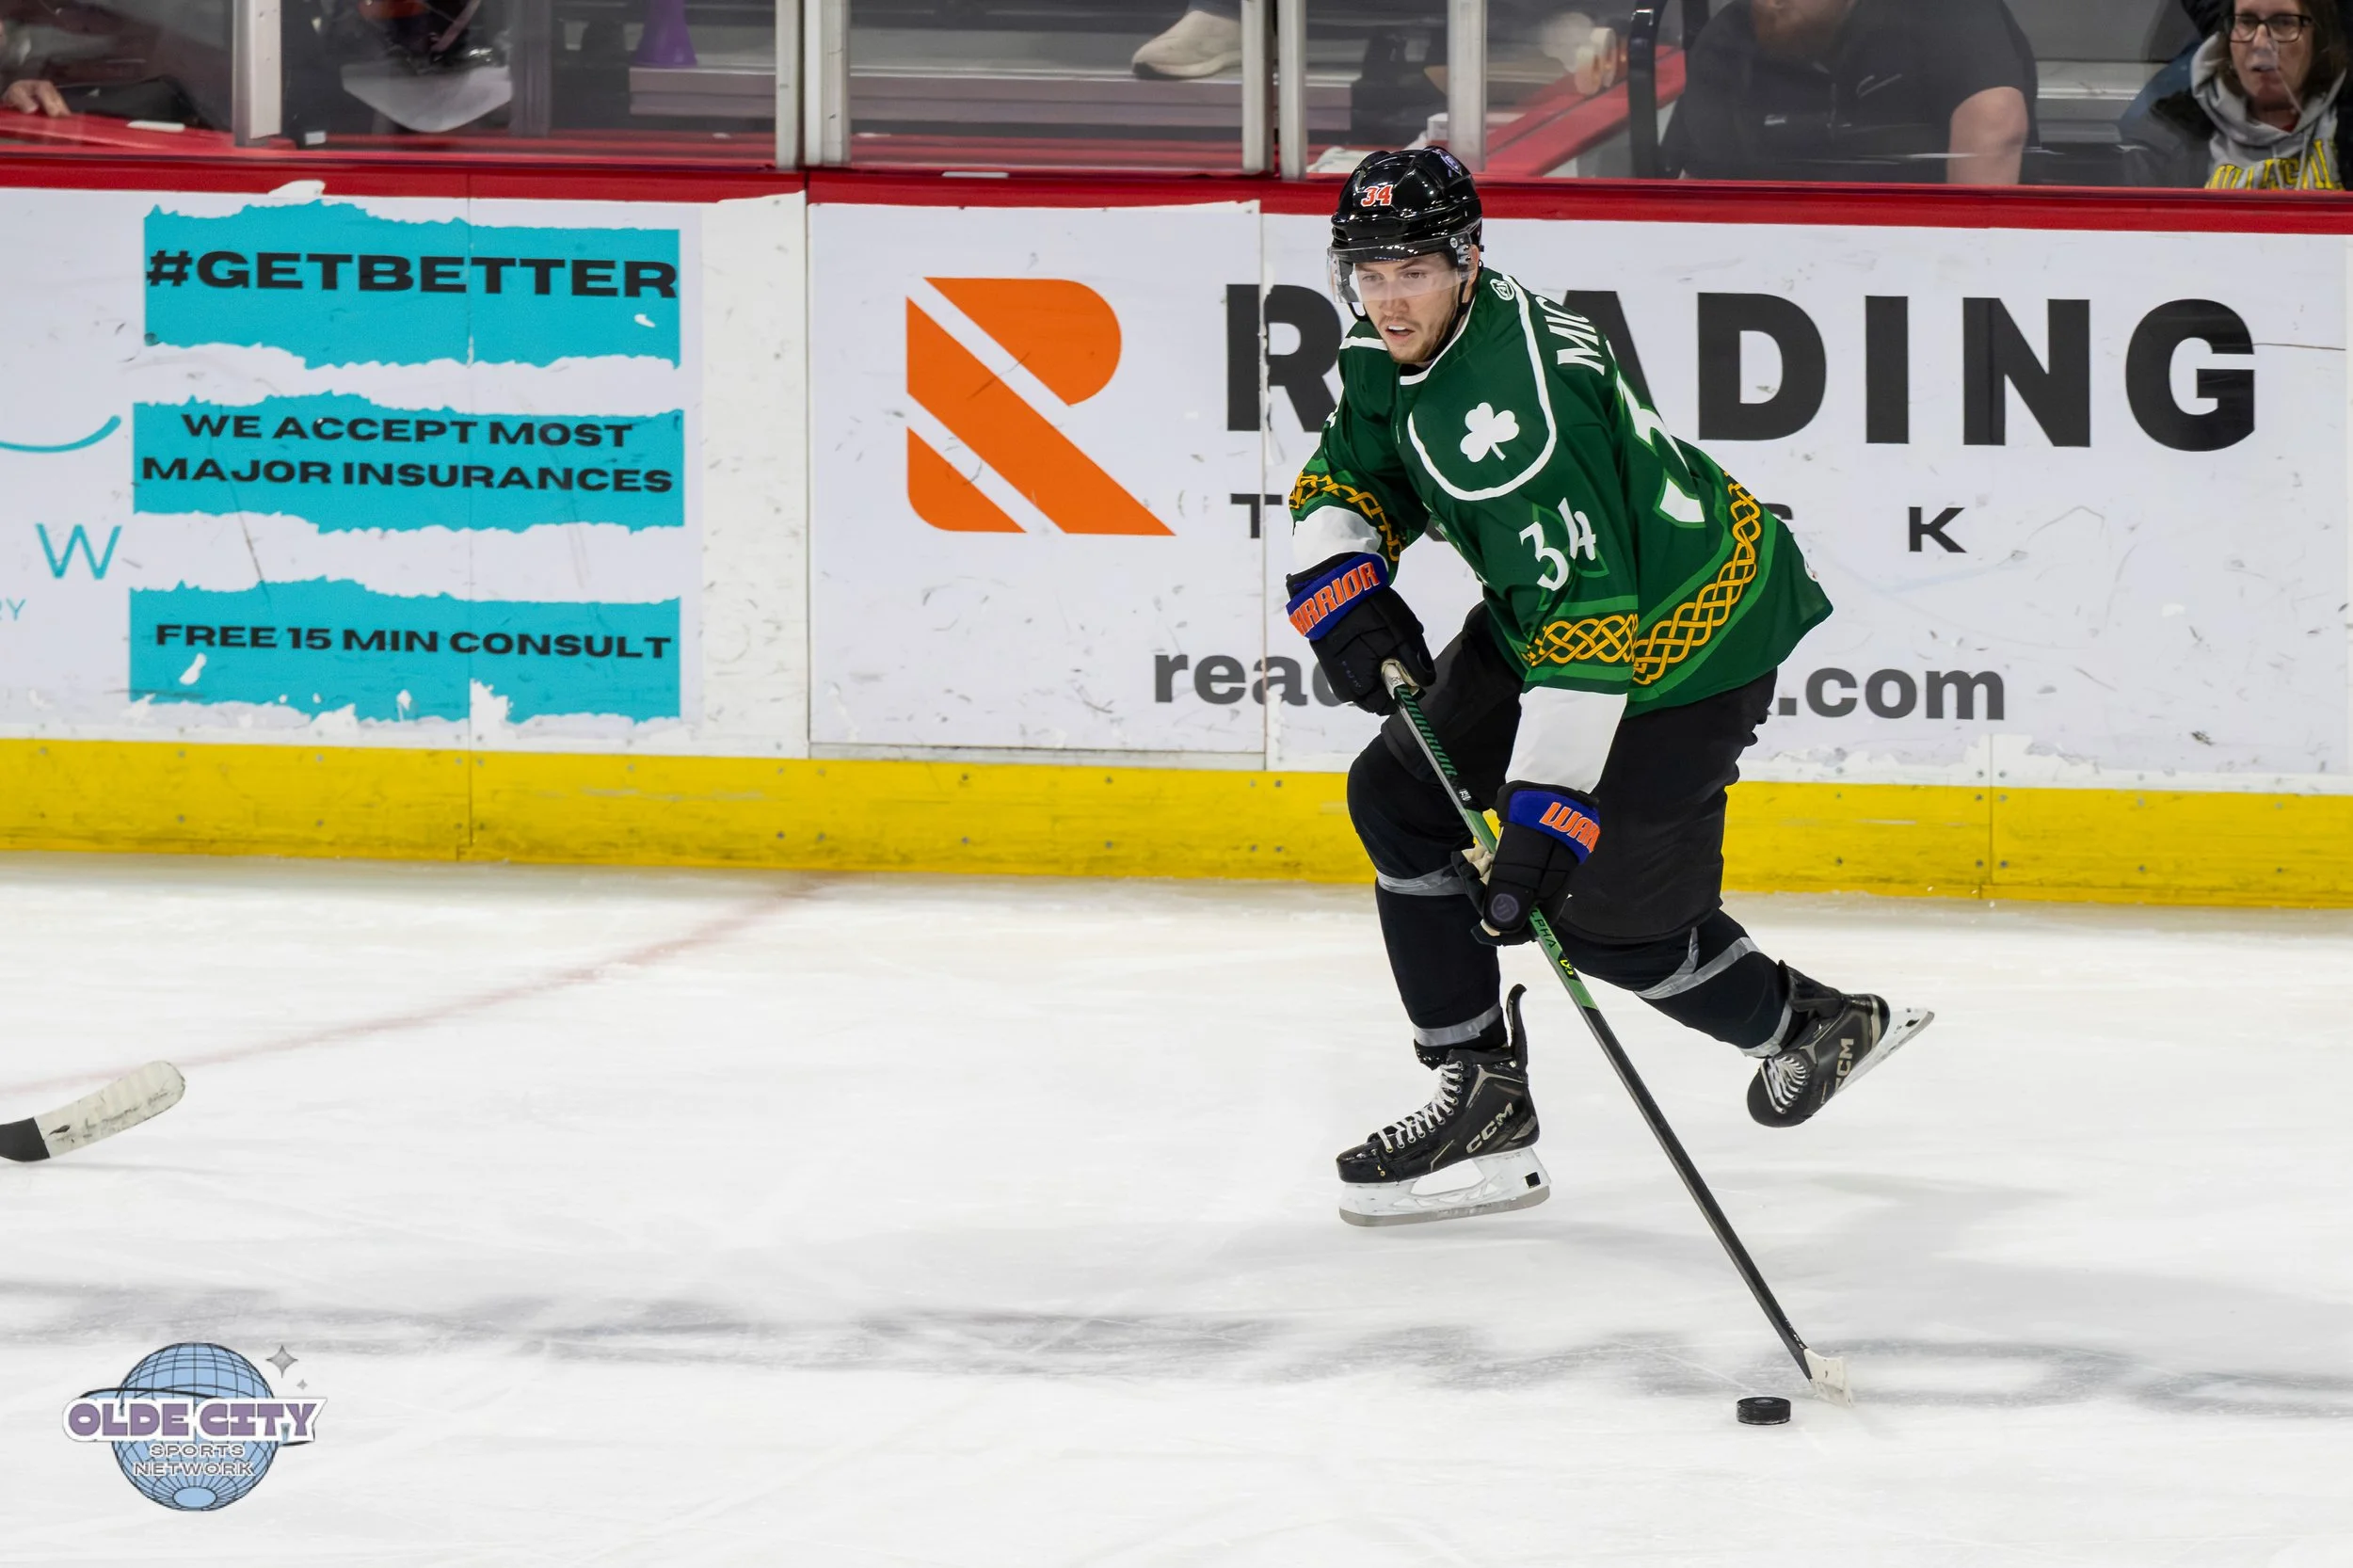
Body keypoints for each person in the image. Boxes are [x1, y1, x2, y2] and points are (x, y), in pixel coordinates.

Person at [1285, 148, 1931, 1226]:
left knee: (1609, 932)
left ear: (1467, 259)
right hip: (1568, 612)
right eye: (1369, 270)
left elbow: (1590, 632)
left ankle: (1809, 1023)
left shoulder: (1519, 421)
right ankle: (1479, 1092)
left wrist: (1544, 813)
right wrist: (1339, 572)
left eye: (1411, 271)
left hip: (1690, 642)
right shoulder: (1393, 337)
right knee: (1398, 796)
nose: (1387, 297)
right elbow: (1357, 463)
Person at [1661, 0, 2035, 184]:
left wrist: (1957, 272)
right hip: (1774, 272)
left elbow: (1994, 124)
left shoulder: (1939, 12)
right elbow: (1696, 181)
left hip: (1916, 262)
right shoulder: (1728, 41)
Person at [2121, 0, 2349, 188]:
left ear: (2318, 38)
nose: (2261, 43)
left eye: (2283, 22)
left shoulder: (2344, 122)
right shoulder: (2166, 140)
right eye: (2247, 22)